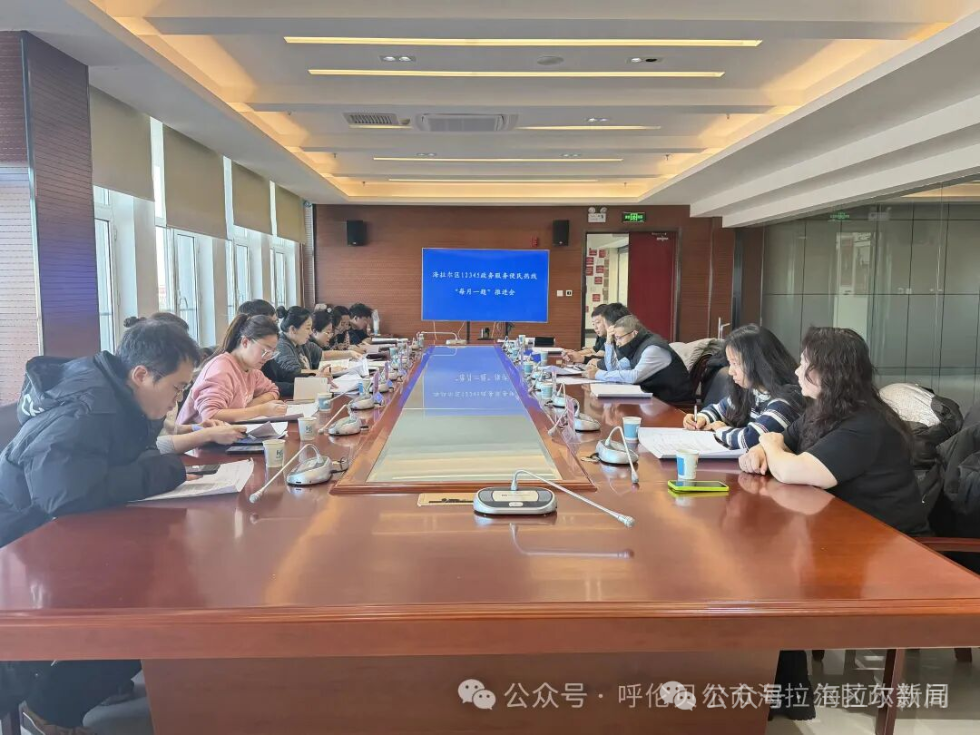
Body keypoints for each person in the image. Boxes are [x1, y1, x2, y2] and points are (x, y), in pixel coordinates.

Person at [0, 320, 202, 734]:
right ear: (141, 374)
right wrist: (165, 471)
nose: (179, 399)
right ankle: (49, 710)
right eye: (177, 388)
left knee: (161, 581)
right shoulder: (88, 408)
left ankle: (90, 681)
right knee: (146, 610)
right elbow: (65, 495)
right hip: (23, 544)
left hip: (55, 531)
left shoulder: (118, 393)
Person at [740, 326, 930, 537]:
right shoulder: (823, 410)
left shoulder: (866, 425)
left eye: (804, 364)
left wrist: (768, 443)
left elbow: (789, 470)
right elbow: (783, 442)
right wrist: (759, 451)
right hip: (847, 533)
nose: (797, 371)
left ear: (830, 372)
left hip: (893, 544)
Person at [683, 325, 804, 449]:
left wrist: (720, 429)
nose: (731, 371)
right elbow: (718, 410)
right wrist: (701, 418)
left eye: (735, 363)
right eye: (730, 363)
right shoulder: (753, 390)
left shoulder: (787, 400)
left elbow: (751, 439)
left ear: (759, 363)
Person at [177, 315, 287, 424]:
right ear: (245, 342)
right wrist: (260, 410)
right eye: (265, 351)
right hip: (197, 434)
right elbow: (210, 415)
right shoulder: (221, 369)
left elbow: (273, 390)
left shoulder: (252, 370)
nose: (268, 357)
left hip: (227, 431)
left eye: (272, 352)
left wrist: (249, 406)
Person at [583, 314, 694, 404]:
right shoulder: (635, 345)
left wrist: (598, 374)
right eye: (615, 339)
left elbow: (634, 376)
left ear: (634, 333)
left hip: (673, 401)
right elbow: (614, 369)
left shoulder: (652, 348)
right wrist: (608, 342)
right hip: (654, 398)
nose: (618, 343)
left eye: (619, 338)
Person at [263, 307, 323, 398]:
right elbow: (292, 373)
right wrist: (314, 377)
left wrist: (313, 376)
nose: (311, 332)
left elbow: (285, 375)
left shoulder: (301, 342)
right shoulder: (281, 345)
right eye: (308, 328)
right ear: (293, 329)